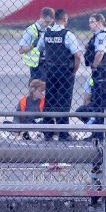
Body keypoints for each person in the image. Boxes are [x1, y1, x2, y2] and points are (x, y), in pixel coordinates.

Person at [36, 9, 82, 141]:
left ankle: (48, 131)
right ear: (64, 19)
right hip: (65, 72)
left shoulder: (47, 34)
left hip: (50, 71)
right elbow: (77, 55)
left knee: (50, 100)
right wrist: (74, 69)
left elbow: (39, 48)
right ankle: (63, 132)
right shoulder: (67, 35)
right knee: (64, 101)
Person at [83, 14, 106, 114]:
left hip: (101, 69)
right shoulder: (97, 35)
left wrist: (95, 66)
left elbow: (100, 52)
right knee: (97, 95)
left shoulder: (102, 35)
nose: (89, 24)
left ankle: (100, 122)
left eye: (92, 21)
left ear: (99, 22)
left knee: (100, 97)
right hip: (101, 69)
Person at [18, 7, 54, 84]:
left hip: (48, 64)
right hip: (36, 66)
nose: (47, 24)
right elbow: (21, 50)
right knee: (36, 87)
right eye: (47, 22)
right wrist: (33, 45)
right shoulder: (31, 30)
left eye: (49, 23)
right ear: (43, 17)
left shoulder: (50, 30)